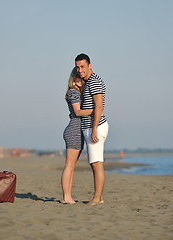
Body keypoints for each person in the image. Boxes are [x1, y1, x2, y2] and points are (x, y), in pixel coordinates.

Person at [75, 53, 109, 206]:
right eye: (77, 67)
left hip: (95, 127)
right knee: (94, 163)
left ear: (89, 66)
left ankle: (96, 198)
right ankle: (99, 197)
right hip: (90, 127)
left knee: (97, 163)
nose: (80, 70)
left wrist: (94, 129)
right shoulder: (87, 82)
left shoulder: (94, 81)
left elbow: (99, 107)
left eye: (82, 66)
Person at [61, 67, 93, 204]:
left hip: (76, 131)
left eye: (81, 77)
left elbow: (74, 112)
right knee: (69, 166)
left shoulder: (76, 92)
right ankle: (66, 197)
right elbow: (78, 112)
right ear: (73, 78)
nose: (80, 79)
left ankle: (67, 196)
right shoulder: (73, 92)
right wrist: (95, 110)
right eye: (77, 77)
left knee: (71, 167)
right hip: (74, 131)